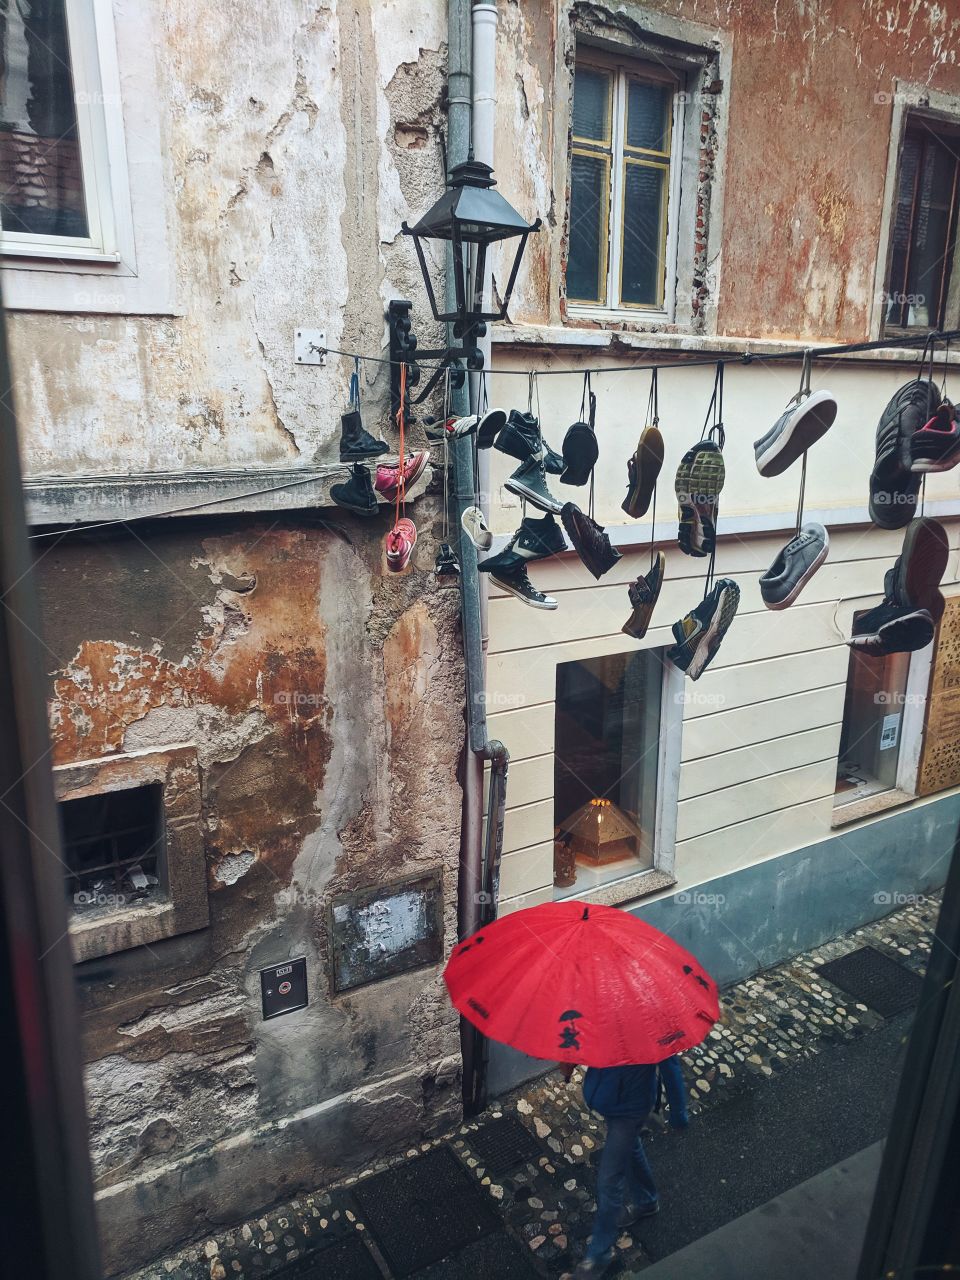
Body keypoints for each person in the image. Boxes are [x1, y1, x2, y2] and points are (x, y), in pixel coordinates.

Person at [562, 1053, 688, 1277]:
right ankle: (647, 1200)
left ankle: (599, 1255)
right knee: (631, 1148)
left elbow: (670, 1066)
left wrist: (678, 1113)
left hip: (630, 1110)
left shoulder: (650, 1026)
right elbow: (591, 1042)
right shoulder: (605, 1018)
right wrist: (570, 1060)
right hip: (612, 1099)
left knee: (609, 1180)